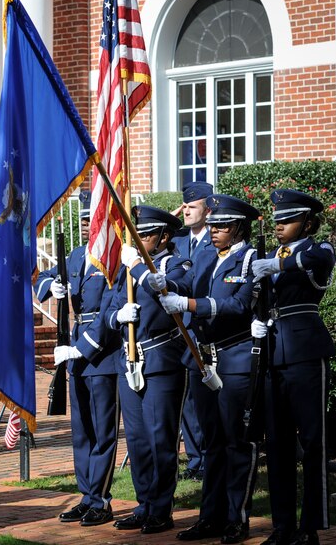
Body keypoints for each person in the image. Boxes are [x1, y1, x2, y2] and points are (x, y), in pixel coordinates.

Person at [148, 194, 262, 544]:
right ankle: (210, 516)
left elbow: (239, 305)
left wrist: (190, 304)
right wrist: (165, 285)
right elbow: (188, 282)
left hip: (234, 358)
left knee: (235, 442)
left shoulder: (250, 260)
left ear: (239, 228)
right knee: (211, 443)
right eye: (212, 225)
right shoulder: (206, 256)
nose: (214, 231)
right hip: (203, 359)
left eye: (222, 226)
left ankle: (236, 517)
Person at [251, 190, 336, 545]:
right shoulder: (267, 255)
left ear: (308, 222)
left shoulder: (320, 249)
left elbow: (318, 260)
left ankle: (311, 526)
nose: (280, 227)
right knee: (279, 444)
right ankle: (282, 524)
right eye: (277, 222)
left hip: (304, 350)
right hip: (273, 353)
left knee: (312, 440)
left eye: (287, 220)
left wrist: (278, 265)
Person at [34, 193, 121, 527]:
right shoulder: (74, 255)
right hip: (75, 353)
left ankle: (101, 499)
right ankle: (86, 496)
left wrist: (81, 348)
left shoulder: (111, 261)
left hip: (101, 352)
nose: (88, 226)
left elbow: (109, 311)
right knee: (81, 430)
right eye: (84, 221)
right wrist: (50, 286)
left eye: (92, 219)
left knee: (102, 430)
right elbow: (43, 278)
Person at [106, 205, 191, 535]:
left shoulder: (177, 263)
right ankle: (144, 504)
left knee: (160, 439)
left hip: (162, 360)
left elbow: (168, 289)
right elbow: (112, 305)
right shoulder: (128, 268)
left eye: (144, 234)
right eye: (135, 233)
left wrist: (138, 266)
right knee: (138, 440)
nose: (136, 239)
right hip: (129, 359)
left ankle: (161, 507)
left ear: (164, 236)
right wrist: (117, 317)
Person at [170, 180, 214, 482]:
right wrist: (174, 219)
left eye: (193, 206)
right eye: (184, 205)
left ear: (208, 210)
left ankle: (210, 458)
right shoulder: (179, 241)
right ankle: (195, 459)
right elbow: (152, 232)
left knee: (205, 400)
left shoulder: (218, 238)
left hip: (205, 327)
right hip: (179, 331)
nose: (186, 210)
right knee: (186, 401)